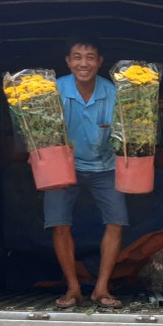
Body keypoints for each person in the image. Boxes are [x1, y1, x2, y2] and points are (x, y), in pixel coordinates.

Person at [44, 34, 126, 309]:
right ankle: (73, 288)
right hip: (62, 164)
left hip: (105, 165)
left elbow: (127, 133)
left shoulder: (113, 93)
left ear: (100, 62)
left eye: (90, 58)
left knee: (116, 222)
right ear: (68, 61)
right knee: (59, 223)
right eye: (77, 57)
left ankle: (101, 288)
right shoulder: (53, 90)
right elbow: (36, 128)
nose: (84, 63)